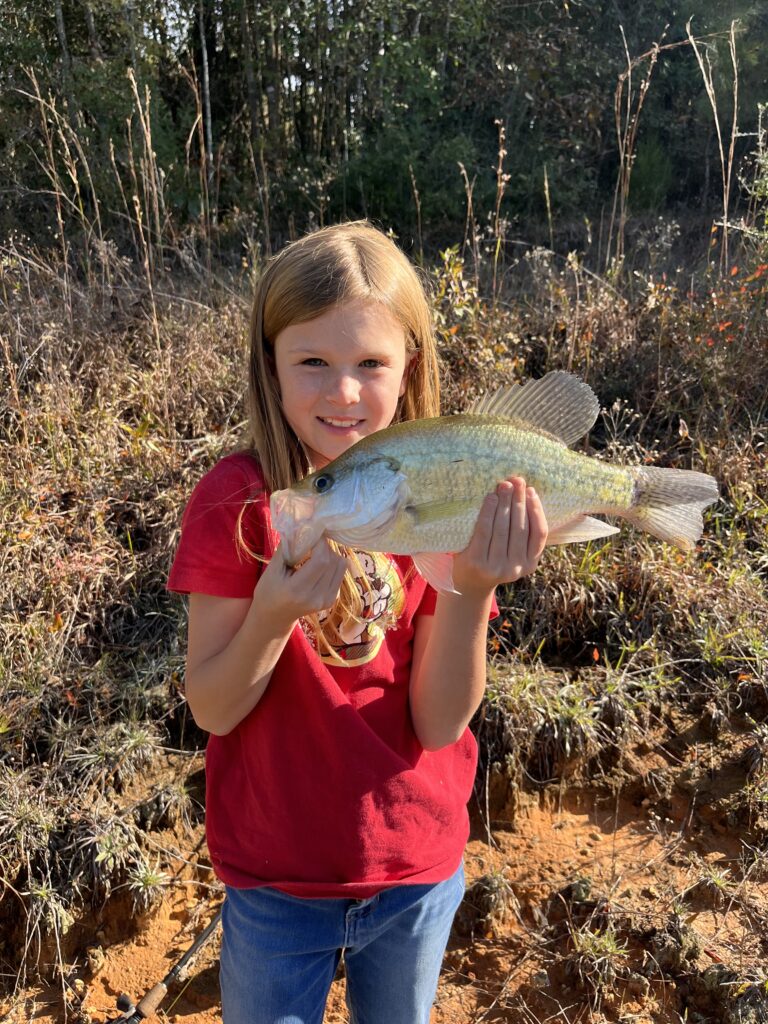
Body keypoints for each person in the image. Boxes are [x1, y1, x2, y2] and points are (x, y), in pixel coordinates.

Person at [167, 221, 548, 1024]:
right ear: (268, 368)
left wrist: (472, 585)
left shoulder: (444, 491)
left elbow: (439, 723)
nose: (344, 392)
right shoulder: (237, 502)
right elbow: (211, 707)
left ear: (410, 368)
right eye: (313, 361)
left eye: (371, 364)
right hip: (276, 886)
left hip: (415, 870)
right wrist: (272, 614)